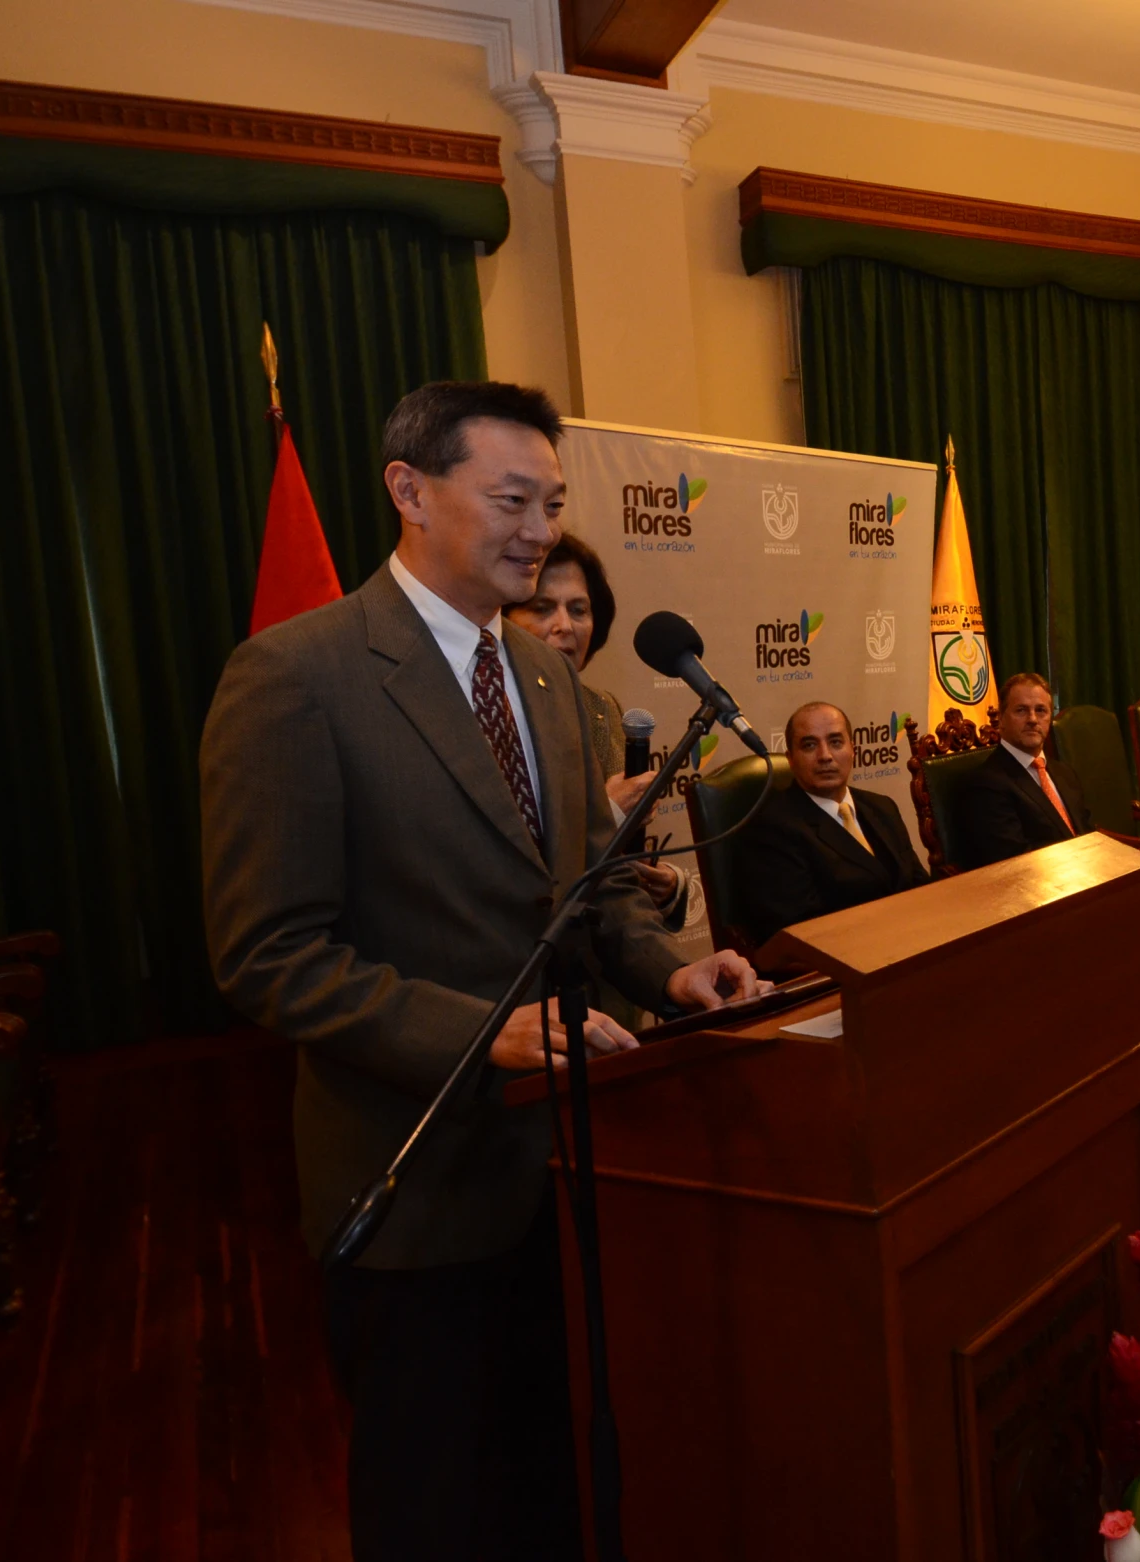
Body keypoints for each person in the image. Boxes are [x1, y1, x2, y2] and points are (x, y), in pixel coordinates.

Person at [200, 380, 768, 1562]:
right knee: (437, 1508)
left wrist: (670, 974)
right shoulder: (295, 676)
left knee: (555, 1485)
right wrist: (482, 1032)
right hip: (419, 1187)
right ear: (409, 490)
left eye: (552, 502)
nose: (538, 529)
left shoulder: (559, 681)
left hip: (572, 1173)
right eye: (512, 497)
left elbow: (587, 886)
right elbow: (269, 953)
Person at [506, 532, 693, 931]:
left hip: (613, 952)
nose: (564, 626)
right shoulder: (489, 714)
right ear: (500, 620)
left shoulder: (603, 710)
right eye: (542, 608)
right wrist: (606, 813)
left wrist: (667, 887)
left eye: (578, 609)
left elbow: (617, 864)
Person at [731, 701, 930, 944]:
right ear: (790, 759)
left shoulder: (883, 807)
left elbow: (920, 887)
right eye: (809, 745)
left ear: (853, 750)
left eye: (835, 742)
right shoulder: (771, 830)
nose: (825, 756)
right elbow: (799, 934)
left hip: (914, 945)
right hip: (847, 965)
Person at [955, 672, 1091, 868]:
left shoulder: (1064, 773)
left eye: (1041, 710)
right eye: (1021, 710)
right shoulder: (986, 785)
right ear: (1000, 719)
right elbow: (1014, 860)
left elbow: (1086, 833)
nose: (1033, 719)